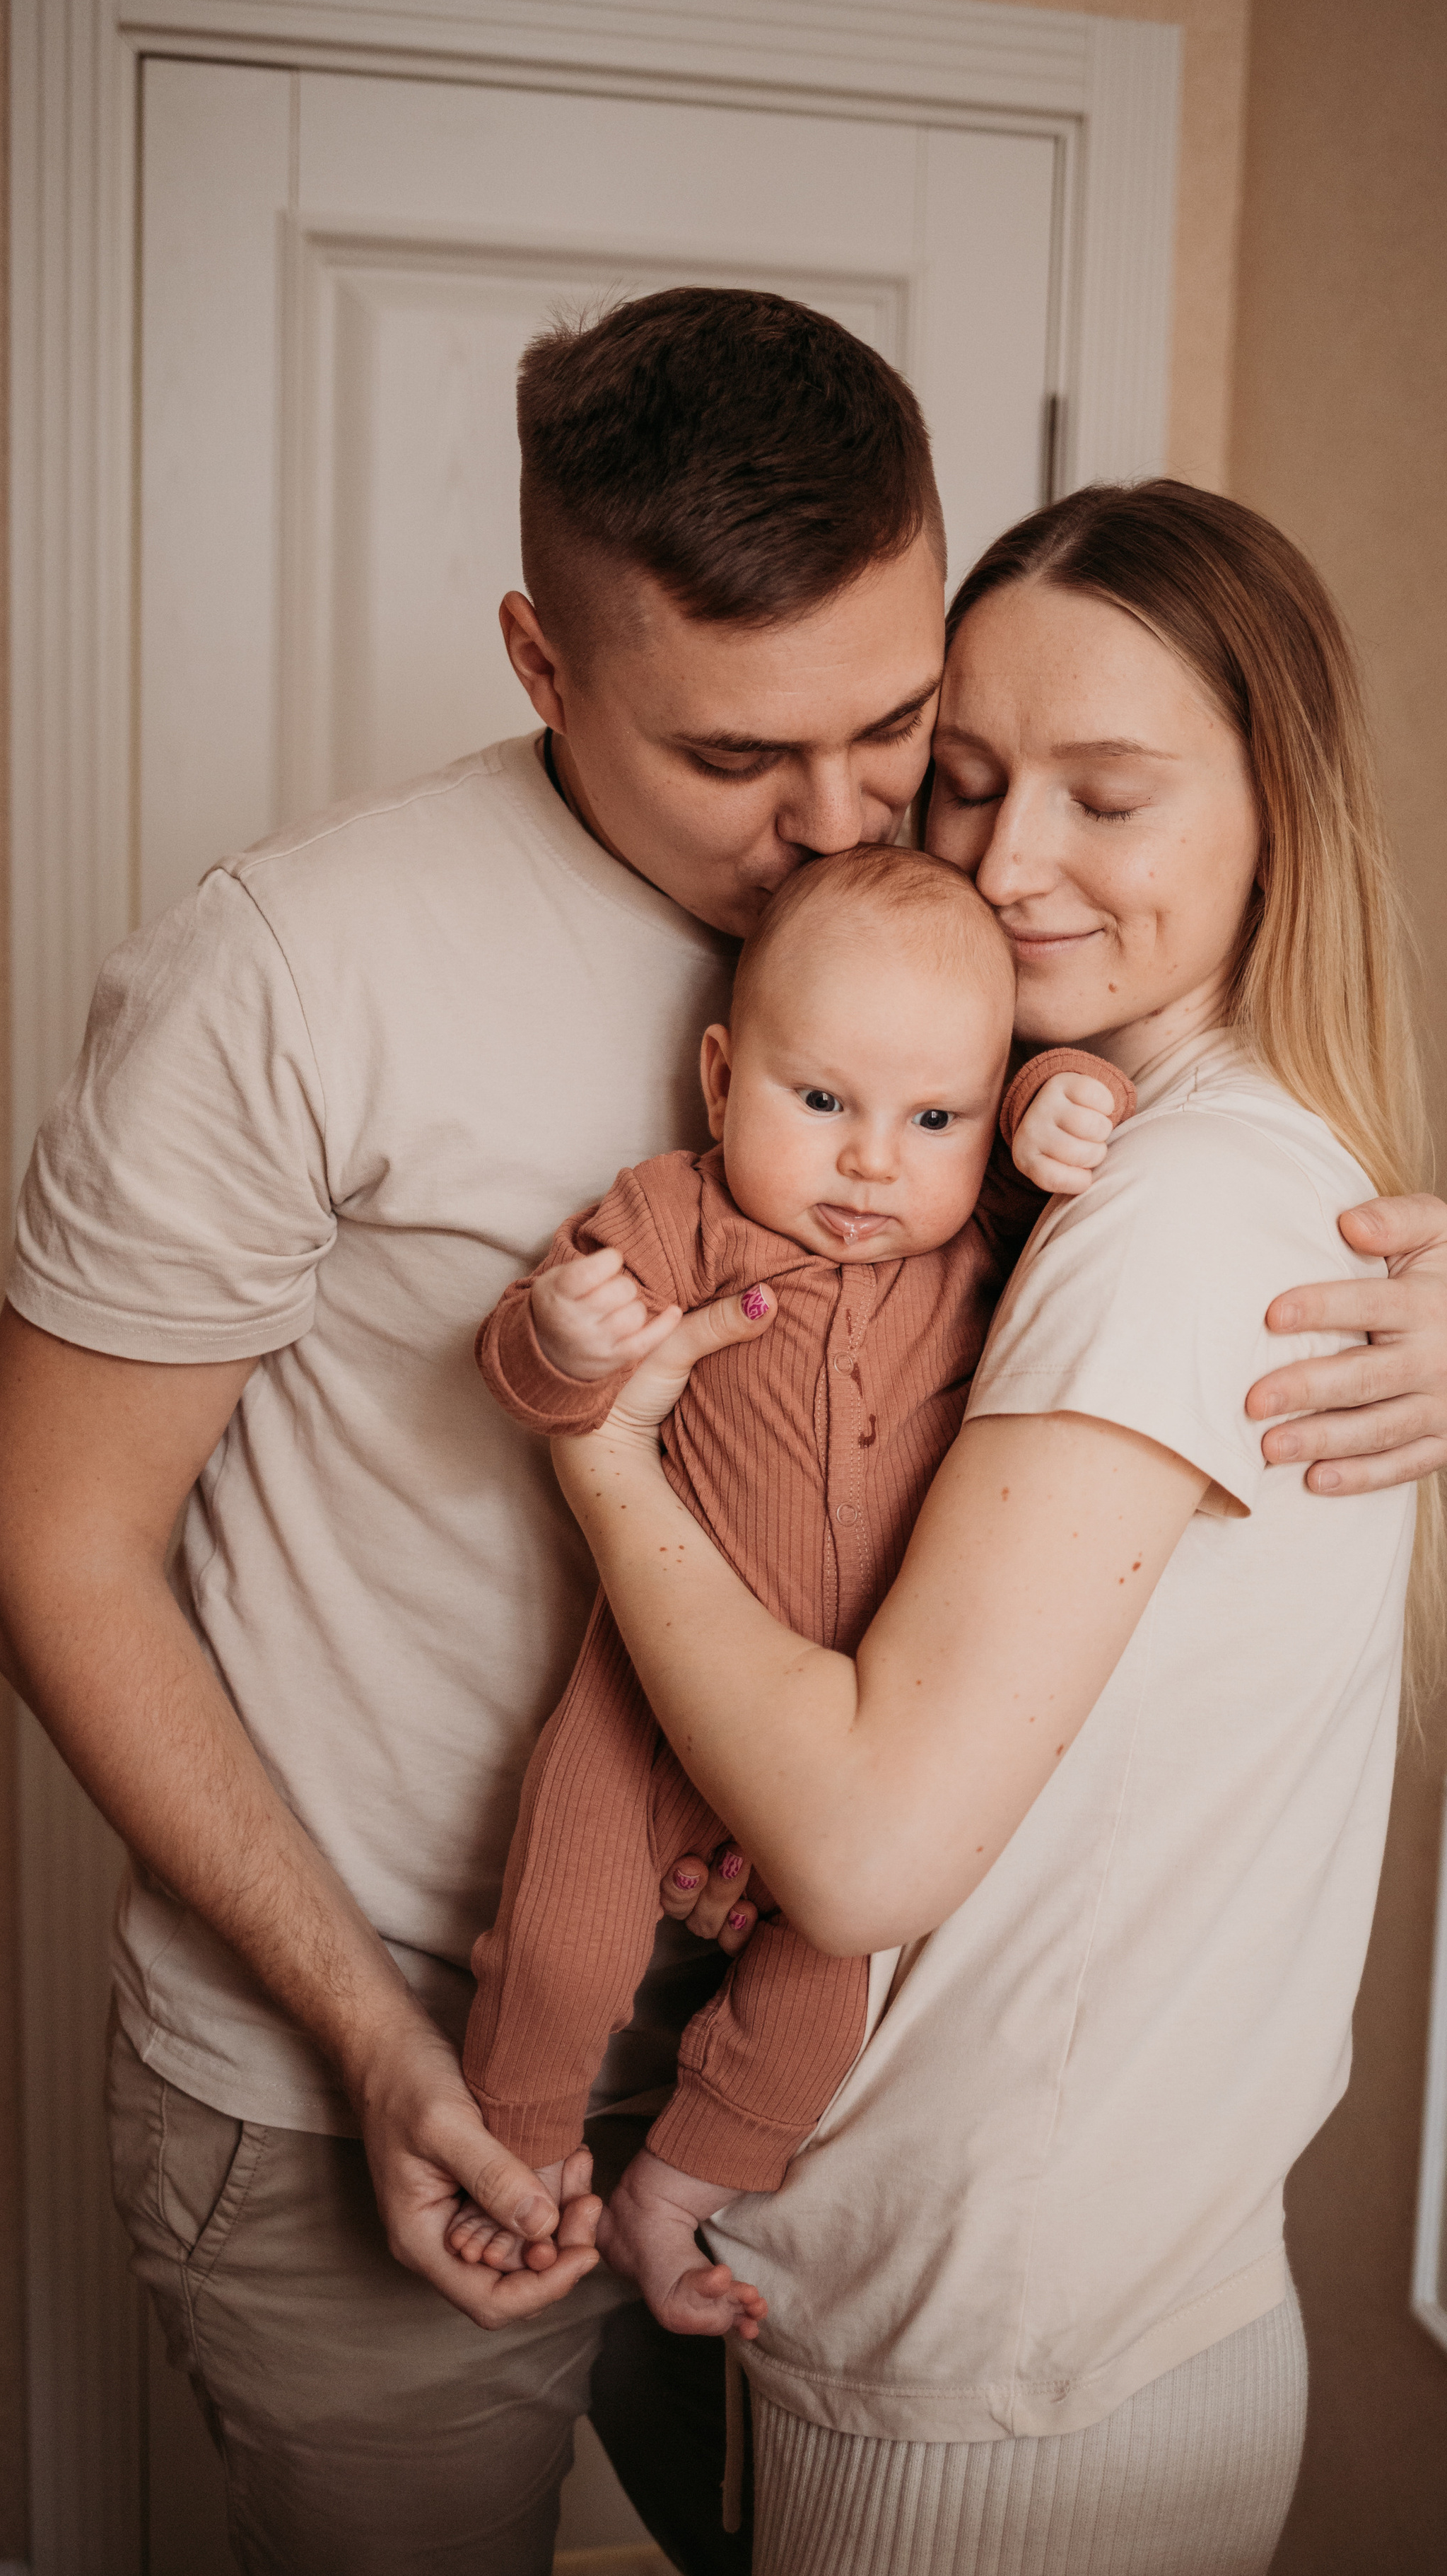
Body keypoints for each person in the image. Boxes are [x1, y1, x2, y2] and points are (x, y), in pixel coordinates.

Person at [0, 289, 1447, 2576]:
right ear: (541, 661)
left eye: (898, 731)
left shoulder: (972, 938)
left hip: (773, 2080)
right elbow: (41, 1549)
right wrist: (376, 2044)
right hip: (378, 2073)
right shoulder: (295, 971)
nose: (847, 824)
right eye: (737, 757)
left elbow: (1176, 1171)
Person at [537, 479, 1447, 2576]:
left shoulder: (1177, 1215)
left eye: (1105, 799)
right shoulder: (1116, 1167)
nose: (1007, 864)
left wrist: (603, 1464)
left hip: (1001, 2383)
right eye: (964, 782)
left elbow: (866, 1851)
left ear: (1279, 813)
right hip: (1051, 2317)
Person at [449, 846, 1132, 2336]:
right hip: (646, 1695)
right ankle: (518, 2148)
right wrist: (559, 1338)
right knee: (561, 1936)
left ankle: (668, 2196)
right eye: (820, 1101)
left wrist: (1055, 1100)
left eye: (934, 1117)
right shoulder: (682, 1217)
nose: (873, 1163)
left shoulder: (980, 1241)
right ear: (720, 1080)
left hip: (851, 1728)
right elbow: (520, 1374)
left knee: (820, 1998)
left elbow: (1069, 1136)